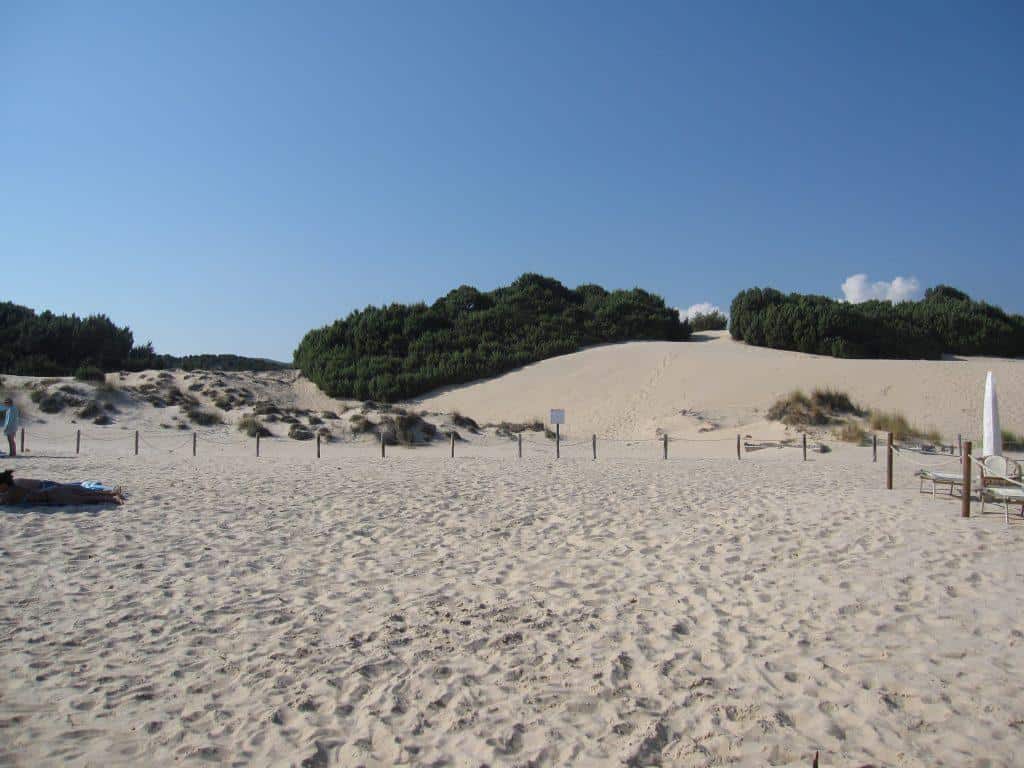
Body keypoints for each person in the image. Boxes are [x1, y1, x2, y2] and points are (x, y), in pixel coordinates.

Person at [0, 470, 124, 506]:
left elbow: (5, 500)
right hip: (50, 485)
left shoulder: (12, 490)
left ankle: (112, 498)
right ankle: (111, 493)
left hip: (51, 493)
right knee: (82, 492)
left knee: (82, 498)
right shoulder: (16, 482)